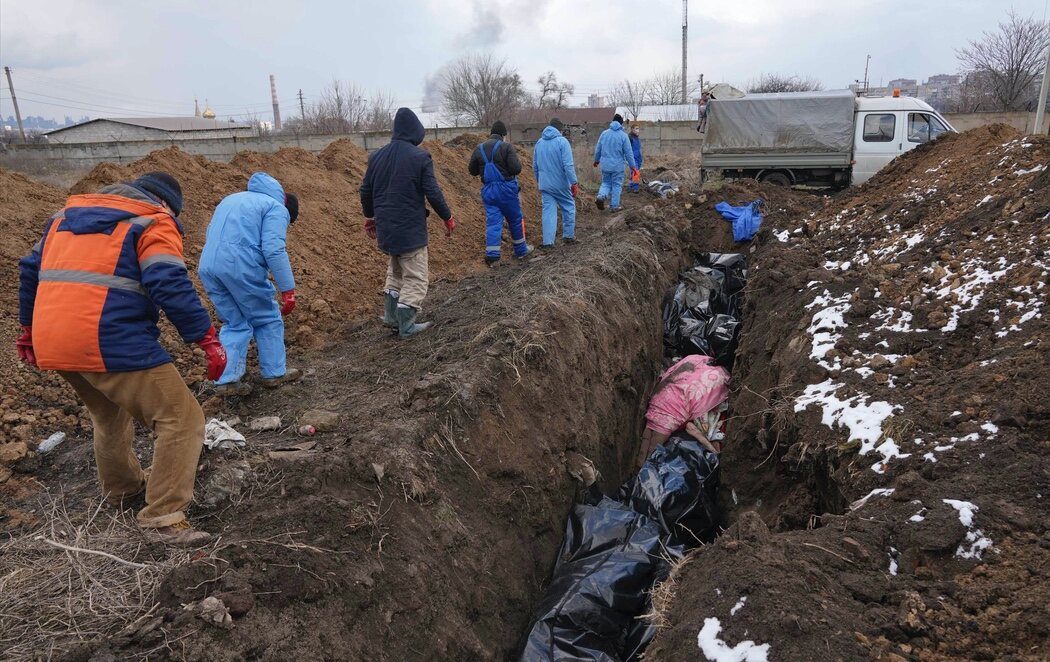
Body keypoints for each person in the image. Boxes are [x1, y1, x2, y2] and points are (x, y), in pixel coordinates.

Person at [17, 172, 226, 546]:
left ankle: (123, 490)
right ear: (165, 204)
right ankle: (162, 518)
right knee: (181, 419)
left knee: (109, 415)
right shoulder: (152, 219)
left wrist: (29, 330)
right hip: (108, 336)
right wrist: (206, 337)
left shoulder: (62, 219)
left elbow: (30, 270)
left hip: (54, 338)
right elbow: (168, 281)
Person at [198, 173, 300, 396]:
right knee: (267, 318)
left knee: (235, 322)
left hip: (208, 265)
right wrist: (288, 289)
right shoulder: (275, 207)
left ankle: (227, 380)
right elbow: (273, 249)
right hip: (239, 265)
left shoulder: (231, 199)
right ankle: (274, 373)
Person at [360, 107, 455, 337]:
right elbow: (432, 191)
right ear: (415, 132)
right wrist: (447, 216)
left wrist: (370, 216)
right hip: (410, 229)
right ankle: (407, 325)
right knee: (416, 276)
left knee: (395, 270)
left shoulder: (376, 156)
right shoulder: (420, 157)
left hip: (387, 229)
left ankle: (391, 317)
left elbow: (365, 190)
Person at [636, 354, 730, 468]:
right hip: (672, 413)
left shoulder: (696, 358)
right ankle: (640, 473)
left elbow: (670, 373)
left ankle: (637, 470)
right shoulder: (721, 378)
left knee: (646, 440)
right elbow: (703, 401)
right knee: (651, 451)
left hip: (660, 399)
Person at [468, 120, 532, 265]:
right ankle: (521, 251)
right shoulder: (506, 147)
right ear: (503, 135)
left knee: (493, 223)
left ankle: (493, 256)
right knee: (515, 220)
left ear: (491, 134)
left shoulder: (479, 149)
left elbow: (472, 171)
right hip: (507, 190)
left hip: (489, 191)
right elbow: (516, 169)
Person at [532, 117, 578, 248]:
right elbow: (568, 165)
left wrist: (539, 181)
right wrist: (574, 182)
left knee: (548, 212)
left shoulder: (539, 143)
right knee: (568, 206)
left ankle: (548, 242)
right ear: (560, 129)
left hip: (545, 184)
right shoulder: (562, 142)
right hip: (561, 184)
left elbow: (535, 166)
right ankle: (568, 236)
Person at [592, 113, 638, 212]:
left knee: (606, 183)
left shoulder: (604, 134)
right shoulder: (624, 136)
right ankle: (614, 206)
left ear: (612, 122)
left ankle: (601, 196)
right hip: (618, 166)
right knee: (616, 185)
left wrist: (596, 160)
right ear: (621, 124)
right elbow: (629, 153)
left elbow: (598, 149)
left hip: (605, 166)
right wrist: (633, 166)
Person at [628, 124, 643, 192]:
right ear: (632, 129)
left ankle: (631, 185)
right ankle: (635, 188)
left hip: (638, 158)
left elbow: (638, 148)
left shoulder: (637, 138)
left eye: (638, 128)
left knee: (635, 172)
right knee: (635, 172)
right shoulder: (630, 138)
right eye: (636, 128)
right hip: (633, 158)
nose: (638, 130)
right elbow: (627, 149)